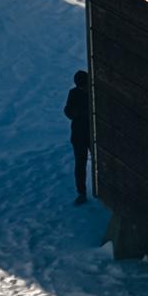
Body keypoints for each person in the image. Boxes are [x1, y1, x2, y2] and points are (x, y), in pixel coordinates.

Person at [64, 69, 94, 203]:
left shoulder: (87, 92)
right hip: (81, 135)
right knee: (80, 165)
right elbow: (68, 111)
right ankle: (82, 192)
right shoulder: (75, 94)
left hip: (87, 134)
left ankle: (84, 193)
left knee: (85, 164)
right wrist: (79, 113)